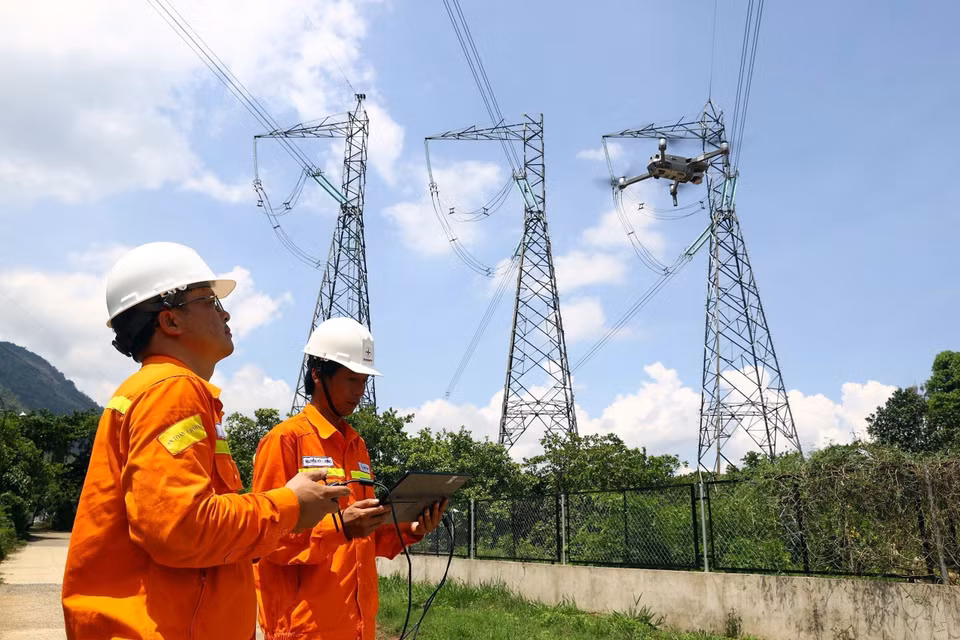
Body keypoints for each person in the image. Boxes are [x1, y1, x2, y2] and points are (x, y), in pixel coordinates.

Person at [62, 242, 350, 640]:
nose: (225, 312)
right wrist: (288, 503)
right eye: (210, 301)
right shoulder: (172, 392)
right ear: (170, 321)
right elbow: (181, 528)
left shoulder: (161, 392)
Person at [253, 317, 447, 640]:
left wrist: (409, 530)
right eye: (351, 380)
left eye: (365, 382)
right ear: (317, 374)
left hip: (357, 626)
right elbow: (264, 540)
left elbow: (364, 539)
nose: (359, 392)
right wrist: (340, 528)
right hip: (305, 629)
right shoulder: (286, 441)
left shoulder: (357, 446)